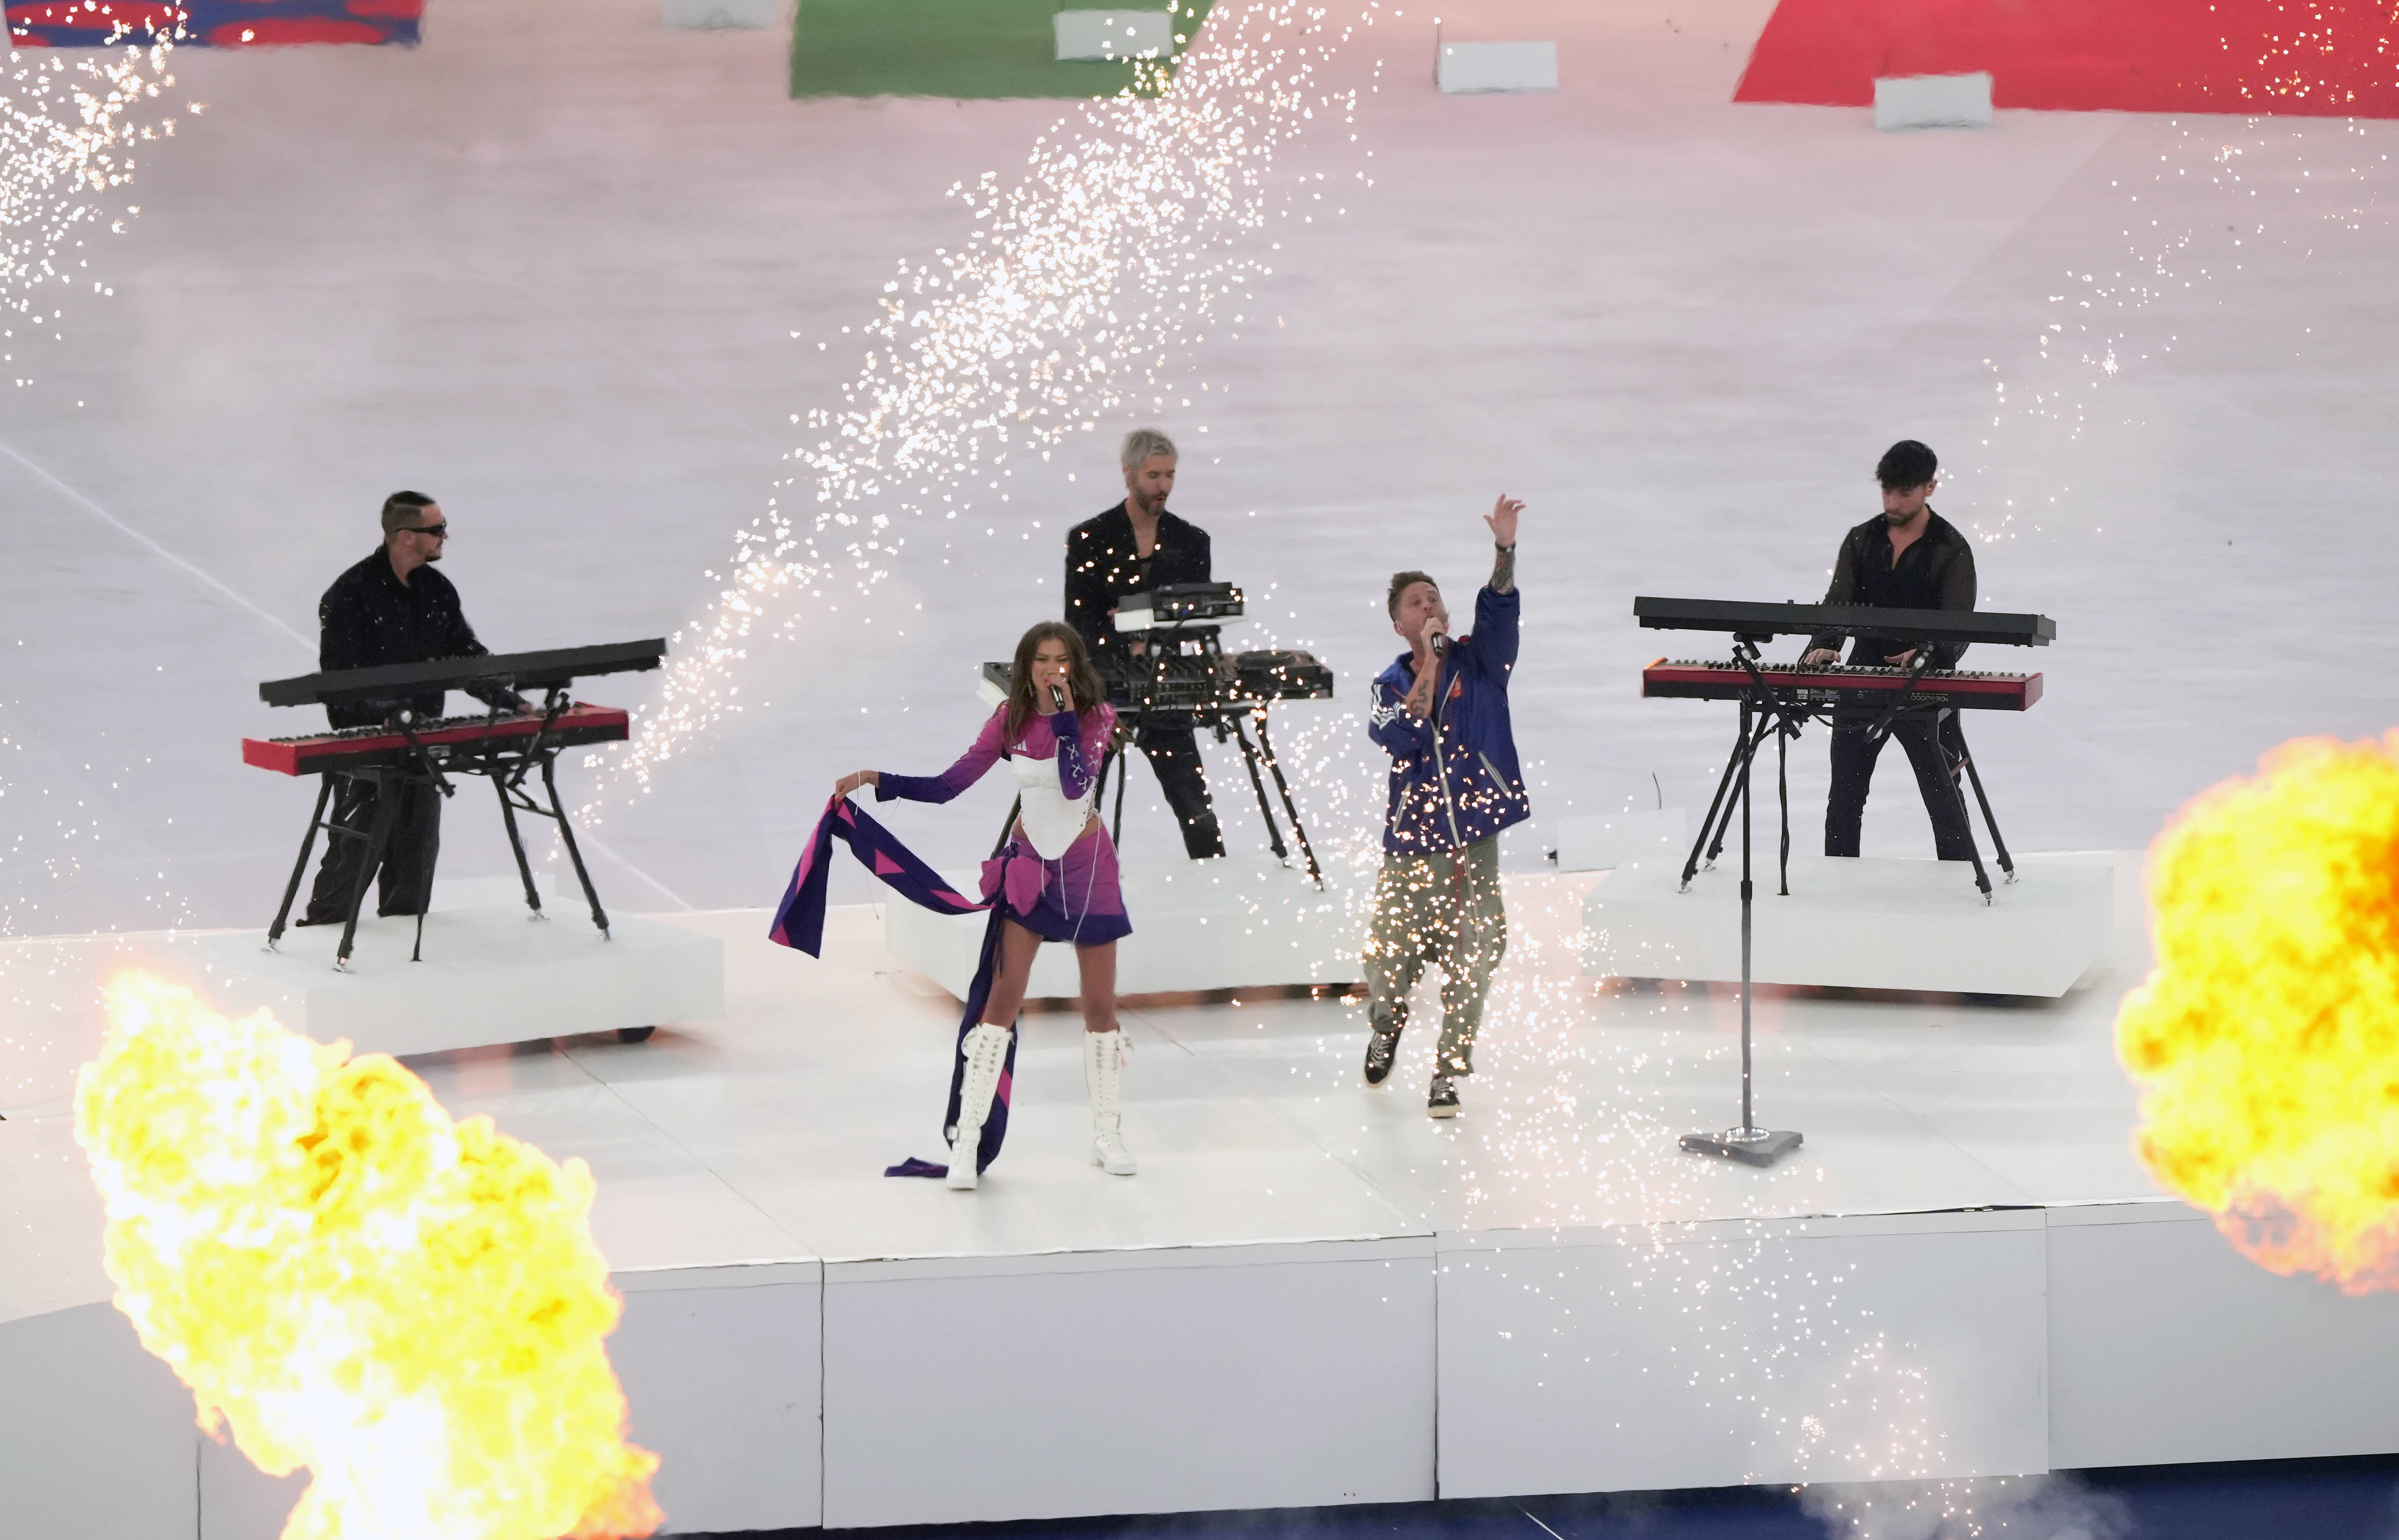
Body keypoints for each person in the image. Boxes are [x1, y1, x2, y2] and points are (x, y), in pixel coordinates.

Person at [833, 621, 1137, 1189]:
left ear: (1075, 667)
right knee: (1001, 998)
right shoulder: (1009, 720)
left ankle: (1107, 1134)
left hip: (1087, 869)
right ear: (1026, 667)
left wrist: (1065, 720)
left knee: (1100, 1006)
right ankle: (967, 1139)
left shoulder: (1096, 718)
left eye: (1062, 660)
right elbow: (950, 785)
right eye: (1042, 660)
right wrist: (880, 779)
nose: (1052, 669)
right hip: (1029, 866)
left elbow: (1076, 785)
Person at [1362, 496, 1530, 1118]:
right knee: (1386, 958)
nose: (1428, 604)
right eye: (1415, 602)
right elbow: (1405, 732)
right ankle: (1387, 1022)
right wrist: (1430, 662)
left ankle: (1448, 1070)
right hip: (1411, 848)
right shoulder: (1387, 688)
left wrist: (1504, 550)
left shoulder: (1481, 663)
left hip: (1472, 844)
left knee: (1477, 953)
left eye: (1433, 597)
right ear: (1399, 625)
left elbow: (1502, 607)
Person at [299, 491, 517, 926]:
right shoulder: (349, 595)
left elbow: (462, 654)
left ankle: (401, 937)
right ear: (406, 537)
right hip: (368, 747)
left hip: (423, 743)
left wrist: (510, 700)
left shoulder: (436, 590)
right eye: (436, 529)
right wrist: (385, 712)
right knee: (353, 856)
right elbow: (339, 684)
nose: (445, 536)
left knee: (416, 855)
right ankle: (324, 934)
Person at [1801, 440, 1979, 861]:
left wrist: (1926, 655)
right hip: (1862, 683)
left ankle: (1959, 883)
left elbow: (1959, 626)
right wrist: (1825, 646)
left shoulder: (1952, 549)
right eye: (1886, 490)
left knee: (1944, 798)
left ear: (1930, 488)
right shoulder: (1861, 540)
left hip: (1926, 689)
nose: (1892, 502)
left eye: (1904, 492)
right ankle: (1840, 882)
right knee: (1845, 797)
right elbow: (1838, 603)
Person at [1063, 427, 1226, 860]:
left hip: (1165, 689)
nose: (1163, 486)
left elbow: (1198, 621)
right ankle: (1068, 886)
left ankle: (1214, 882)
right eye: (1154, 476)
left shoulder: (1192, 541)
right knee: (1078, 807)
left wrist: (1140, 630)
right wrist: (1130, 641)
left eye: (1170, 475)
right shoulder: (1090, 539)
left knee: (1195, 807)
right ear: (1129, 474)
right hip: (1101, 691)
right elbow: (1078, 625)